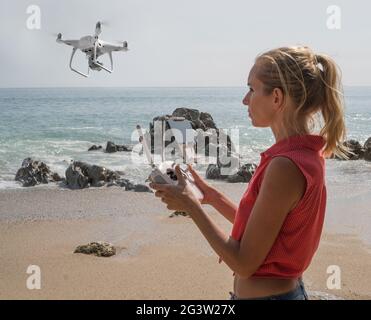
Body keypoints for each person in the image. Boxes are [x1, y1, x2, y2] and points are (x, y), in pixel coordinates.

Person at [149, 46, 350, 300]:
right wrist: (212, 197)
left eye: (252, 89)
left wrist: (190, 206)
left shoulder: (285, 166)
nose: (245, 100)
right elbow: (265, 231)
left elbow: (243, 263)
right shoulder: (304, 154)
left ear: (276, 98)